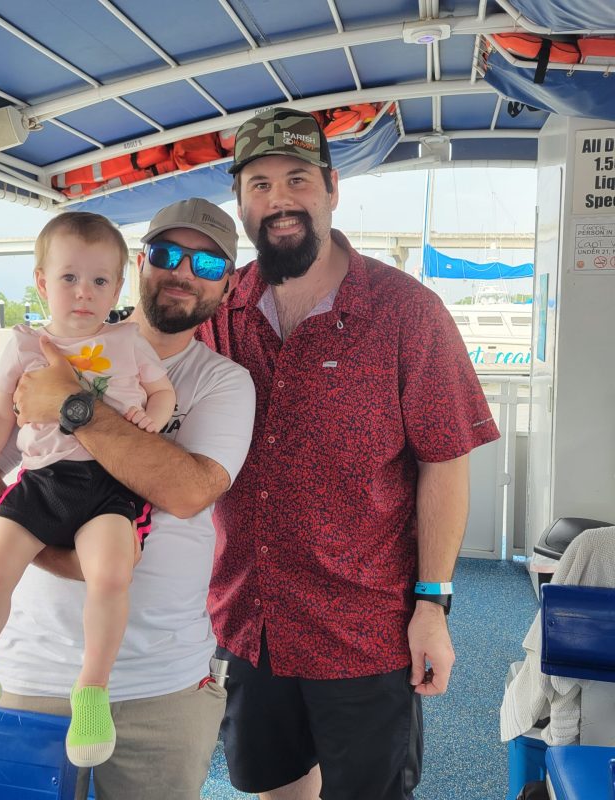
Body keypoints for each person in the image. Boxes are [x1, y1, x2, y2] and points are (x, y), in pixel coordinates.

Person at [198, 107, 502, 800]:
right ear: (241, 202)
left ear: (332, 189)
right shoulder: (219, 311)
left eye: (297, 179)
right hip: (251, 620)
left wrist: (434, 603)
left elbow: (445, 461)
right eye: (260, 183)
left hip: (365, 629)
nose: (279, 199)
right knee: (274, 786)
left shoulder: (408, 313)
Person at [0, 198, 255, 798]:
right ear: (141, 264)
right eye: (167, 254)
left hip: (164, 689)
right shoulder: (44, 350)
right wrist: (48, 554)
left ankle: (94, 688)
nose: (184, 272)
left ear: (227, 285)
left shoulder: (223, 382)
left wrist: (73, 406)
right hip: (29, 670)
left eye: (208, 265)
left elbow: (187, 492)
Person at [0, 211, 177, 773]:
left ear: (118, 286)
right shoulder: (24, 345)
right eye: (69, 278)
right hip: (40, 483)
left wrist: (153, 417)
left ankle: (92, 691)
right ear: (42, 282)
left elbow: (164, 393)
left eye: (100, 281)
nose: (84, 293)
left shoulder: (128, 341)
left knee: (112, 574)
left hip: (108, 485)